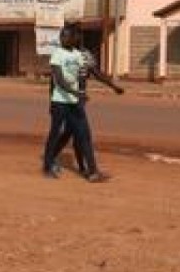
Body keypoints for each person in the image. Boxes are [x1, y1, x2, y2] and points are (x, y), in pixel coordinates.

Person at [41, 25, 111, 182]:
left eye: (65, 36)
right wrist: (76, 93)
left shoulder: (79, 55)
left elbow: (86, 73)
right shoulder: (57, 54)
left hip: (74, 103)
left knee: (84, 135)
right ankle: (47, 166)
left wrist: (82, 93)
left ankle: (93, 171)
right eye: (61, 36)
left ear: (74, 38)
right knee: (55, 134)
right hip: (60, 102)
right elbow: (58, 80)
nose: (62, 38)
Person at [49, 40, 125, 175]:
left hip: (78, 100)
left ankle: (56, 160)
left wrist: (113, 86)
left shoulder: (85, 54)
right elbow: (55, 81)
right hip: (66, 100)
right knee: (81, 134)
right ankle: (89, 170)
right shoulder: (62, 54)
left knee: (71, 133)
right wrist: (52, 102)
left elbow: (97, 73)